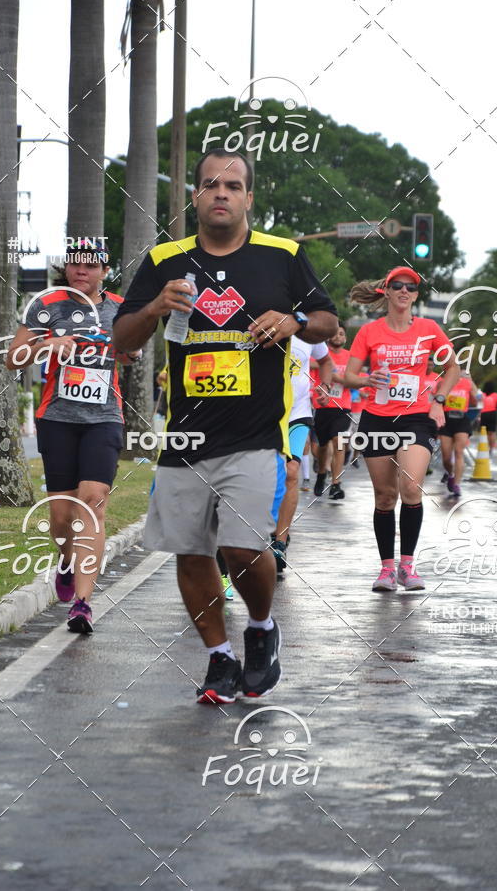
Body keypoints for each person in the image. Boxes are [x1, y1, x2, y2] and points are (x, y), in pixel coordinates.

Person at [112, 147, 337, 704]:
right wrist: (154, 308)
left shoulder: (282, 256)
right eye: (210, 184)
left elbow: (328, 320)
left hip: (257, 433)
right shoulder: (165, 259)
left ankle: (260, 627)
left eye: (232, 186)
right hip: (186, 437)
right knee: (190, 553)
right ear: (194, 195)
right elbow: (121, 342)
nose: (221, 193)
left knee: (242, 550)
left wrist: (295, 320)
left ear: (248, 198)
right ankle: (218, 658)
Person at [5, 239, 142, 633]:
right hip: (58, 418)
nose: (82, 270)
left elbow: (133, 351)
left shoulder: (118, 308)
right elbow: (12, 357)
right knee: (62, 516)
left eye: (90, 265)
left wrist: (127, 350)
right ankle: (66, 561)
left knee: (93, 501)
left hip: (104, 418)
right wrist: (48, 344)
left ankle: (82, 603)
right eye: (75, 264)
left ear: (103, 270)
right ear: (65, 268)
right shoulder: (46, 306)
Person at [344, 267, 460, 591]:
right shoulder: (369, 332)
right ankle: (387, 569)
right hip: (377, 417)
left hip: (416, 417)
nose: (404, 291)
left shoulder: (429, 328)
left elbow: (453, 367)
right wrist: (366, 379)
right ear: (387, 291)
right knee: (384, 497)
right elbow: (349, 375)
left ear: (416, 295)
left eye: (411, 287)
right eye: (398, 286)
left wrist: (438, 400)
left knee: (410, 487)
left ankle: (408, 566)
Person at [272, 336, 332, 574]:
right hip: (264, 414)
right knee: (265, 475)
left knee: (291, 472)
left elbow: (326, 361)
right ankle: (265, 529)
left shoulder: (308, 328)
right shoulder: (261, 319)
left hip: (297, 413)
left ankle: (280, 542)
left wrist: (324, 386)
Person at [313, 322, 352, 501]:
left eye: (342, 334)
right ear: (329, 337)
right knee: (322, 447)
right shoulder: (321, 354)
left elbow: (354, 379)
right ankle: (322, 473)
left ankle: (336, 484)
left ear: (345, 338)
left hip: (342, 407)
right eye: (335, 334)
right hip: (322, 406)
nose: (338, 337)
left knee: (339, 441)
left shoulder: (351, 357)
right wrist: (333, 375)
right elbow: (312, 364)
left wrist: (337, 377)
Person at [438, 371, 478, 497]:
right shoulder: (442, 383)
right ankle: (450, 474)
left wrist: (471, 384)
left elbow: (475, 402)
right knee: (446, 457)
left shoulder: (467, 383)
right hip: (446, 420)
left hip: (462, 420)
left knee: (459, 452)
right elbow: (436, 400)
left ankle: (456, 484)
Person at [479, 381, 497, 452]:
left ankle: (484, 446)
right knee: (492, 432)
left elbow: (478, 403)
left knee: (484, 432)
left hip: (484, 414)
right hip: (493, 414)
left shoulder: (482, 395)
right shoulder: (496, 395)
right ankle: (491, 448)